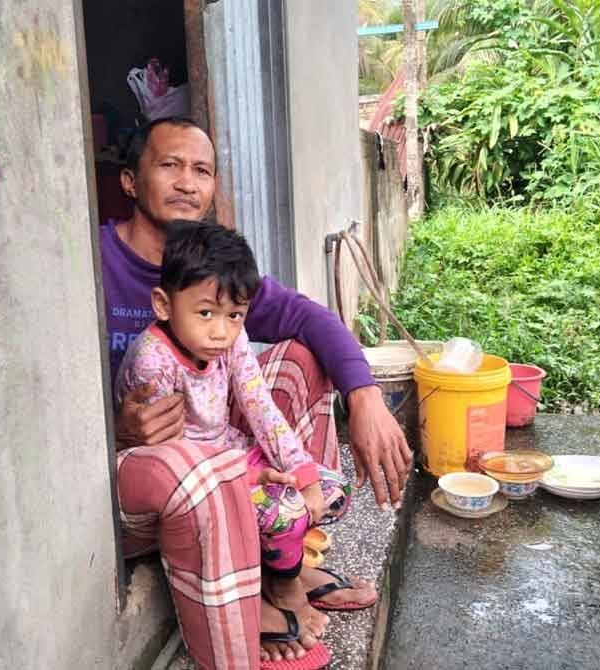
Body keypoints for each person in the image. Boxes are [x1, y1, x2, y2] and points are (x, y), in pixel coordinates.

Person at [104, 117, 412, 669]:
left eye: (202, 170)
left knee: (302, 358)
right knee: (194, 471)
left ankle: (285, 557)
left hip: (215, 451)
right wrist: (117, 430)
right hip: (137, 474)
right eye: (170, 165)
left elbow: (306, 323)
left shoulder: (217, 278)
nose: (187, 182)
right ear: (130, 180)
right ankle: (253, 605)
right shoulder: (92, 266)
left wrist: (364, 396)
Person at [116, 221, 359, 669]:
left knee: (331, 491)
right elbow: (170, 457)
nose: (221, 332)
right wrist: (247, 475)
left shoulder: (232, 339)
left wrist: (303, 473)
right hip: (191, 475)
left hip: (229, 451)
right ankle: (282, 587)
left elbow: (260, 407)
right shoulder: (153, 361)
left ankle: (279, 569)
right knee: (283, 511)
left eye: (235, 315)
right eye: (205, 313)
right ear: (163, 305)